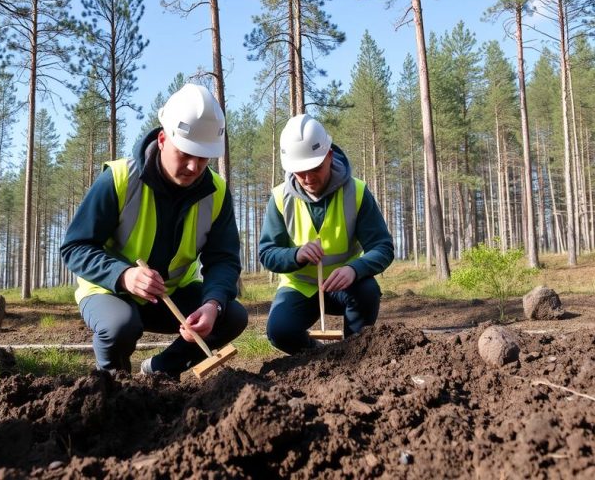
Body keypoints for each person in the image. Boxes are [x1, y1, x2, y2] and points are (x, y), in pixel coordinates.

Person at [60, 83, 247, 377]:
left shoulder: (217, 193)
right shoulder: (120, 179)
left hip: (169, 295)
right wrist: (123, 275)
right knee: (121, 326)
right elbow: (75, 247)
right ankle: (112, 385)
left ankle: (160, 370)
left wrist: (212, 304)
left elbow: (223, 258)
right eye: (185, 153)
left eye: (203, 157)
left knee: (231, 315)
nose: (193, 166)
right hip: (109, 291)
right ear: (162, 139)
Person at [259, 113, 394, 354]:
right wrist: (296, 255)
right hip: (299, 287)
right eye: (300, 172)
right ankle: (316, 352)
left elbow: (383, 247)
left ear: (329, 156)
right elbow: (267, 254)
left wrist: (355, 269)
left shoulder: (357, 192)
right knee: (279, 331)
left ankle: (355, 352)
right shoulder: (280, 198)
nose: (308, 178)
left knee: (367, 290)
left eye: (315, 168)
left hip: (346, 286)